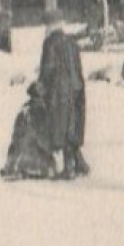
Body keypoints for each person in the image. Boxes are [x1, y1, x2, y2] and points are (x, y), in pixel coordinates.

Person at [39, 9, 89, 179]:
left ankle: (68, 169)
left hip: (59, 90)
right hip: (76, 87)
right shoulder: (71, 42)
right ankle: (79, 163)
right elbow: (77, 66)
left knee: (61, 126)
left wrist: (40, 86)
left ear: (50, 26)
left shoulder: (50, 43)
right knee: (72, 124)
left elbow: (48, 68)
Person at [0, 81, 56, 180]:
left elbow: (15, 140)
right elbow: (42, 139)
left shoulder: (25, 110)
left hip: (22, 156)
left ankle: (14, 167)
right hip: (35, 157)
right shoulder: (38, 112)